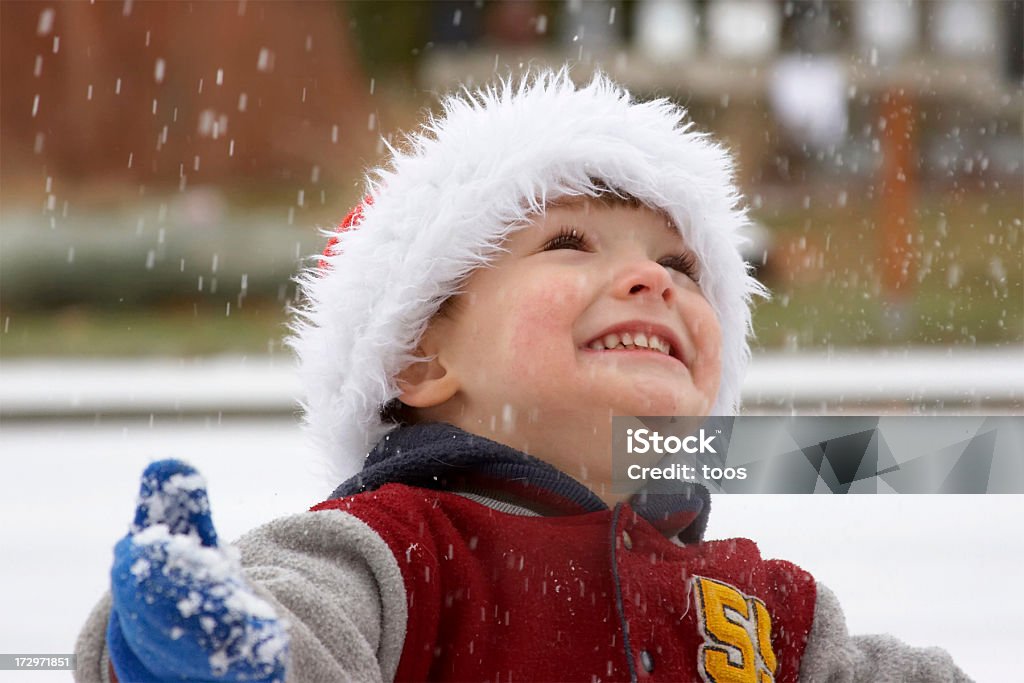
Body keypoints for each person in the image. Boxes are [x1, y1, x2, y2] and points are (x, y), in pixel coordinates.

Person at [75, 69, 971, 682]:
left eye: (684, 267)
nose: (653, 278)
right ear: (423, 358)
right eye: (569, 243)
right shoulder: (396, 549)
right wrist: (201, 644)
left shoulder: (763, 606)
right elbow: (290, 618)